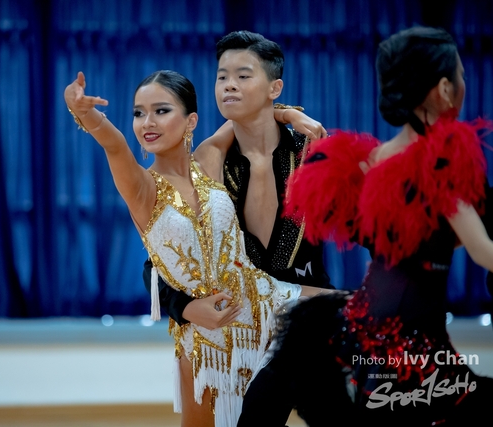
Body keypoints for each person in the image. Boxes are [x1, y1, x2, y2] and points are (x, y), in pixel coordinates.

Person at [238, 26, 493, 427]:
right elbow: (482, 251)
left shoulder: (373, 162)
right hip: (410, 341)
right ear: (445, 89)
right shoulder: (442, 166)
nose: (463, 83)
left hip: (361, 326)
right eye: (461, 75)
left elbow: (403, 244)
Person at [63, 69, 335, 427]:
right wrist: (85, 113)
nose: (147, 122)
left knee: (355, 310)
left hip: (266, 302)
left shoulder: (208, 160)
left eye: (161, 110)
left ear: (191, 120)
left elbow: (248, 114)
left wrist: (288, 115)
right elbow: (113, 144)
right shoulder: (143, 188)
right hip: (208, 336)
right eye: (139, 113)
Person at [144, 30, 335, 333]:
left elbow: (370, 229)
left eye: (243, 76)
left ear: (275, 88)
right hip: (233, 334)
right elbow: (160, 261)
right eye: (222, 77)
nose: (229, 84)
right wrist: (187, 308)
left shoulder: (312, 154)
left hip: (309, 325)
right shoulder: (206, 165)